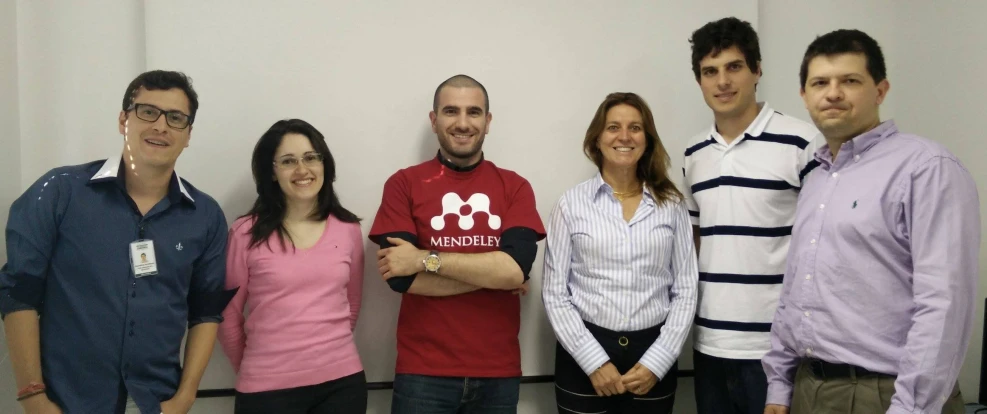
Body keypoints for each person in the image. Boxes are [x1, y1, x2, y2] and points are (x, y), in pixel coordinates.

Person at [762, 29, 980, 414]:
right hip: (810, 388)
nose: (832, 93)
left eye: (849, 81)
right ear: (804, 96)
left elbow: (943, 303)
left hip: (888, 395)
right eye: (820, 83)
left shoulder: (926, 168)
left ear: (880, 91)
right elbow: (796, 290)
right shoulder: (815, 178)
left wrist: (910, 408)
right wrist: (780, 386)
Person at [0, 70, 235, 414]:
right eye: (147, 111)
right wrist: (33, 397)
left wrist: (185, 397)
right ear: (123, 119)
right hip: (67, 401)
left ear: (188, 135)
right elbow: (18, 292)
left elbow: (206, 312)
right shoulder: (60, 192)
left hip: (153, 402)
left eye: (176, 118)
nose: (160, 126)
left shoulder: (205, 215)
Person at [368, 74, 545, 414]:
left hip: (498, 373)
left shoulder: (515, 186)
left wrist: (424, 259)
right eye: (451, 111)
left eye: (474, 112)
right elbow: (401, 278)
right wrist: (491, 274)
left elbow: (514, 270)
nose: (463, 123)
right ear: (434, 120)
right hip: (423, 373)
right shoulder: (403, 184)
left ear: (488, 122)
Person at [681, 17, 822, 414]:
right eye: (710, 71)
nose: (722, 81)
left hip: (778, 350)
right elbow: (696, 242)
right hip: (708, 344)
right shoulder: (693, 154)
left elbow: (823, 244)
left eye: (734, 67)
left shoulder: (802, 141)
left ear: (757, 69)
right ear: (699, 81)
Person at [542, 92, 698, 413]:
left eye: (635, 128)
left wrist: (659, 360)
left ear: (647, 139)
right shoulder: (570, 205)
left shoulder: (672, 204)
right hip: (582, 354)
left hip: (653, 356)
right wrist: (593, 361)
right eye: (613, 127)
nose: (624, 136)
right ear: (597, 139)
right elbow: (555, 293)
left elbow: (686, 289)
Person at [219, 119, 367, 414]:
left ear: (325, 164)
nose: (303, 170)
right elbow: (228, 316)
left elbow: (351, 305)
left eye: (311, 158)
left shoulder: (347, 228)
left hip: (342, 387)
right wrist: (257, 368)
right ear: (271, 172)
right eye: (288, 161)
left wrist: (323, 356)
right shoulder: (245, 232)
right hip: (266, 390)